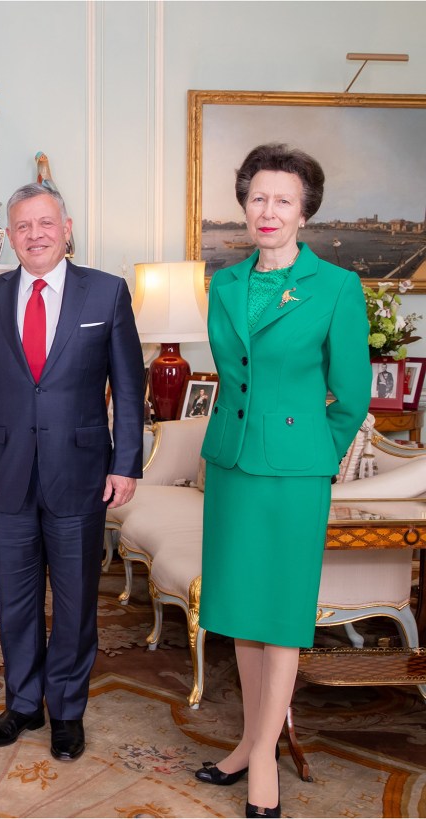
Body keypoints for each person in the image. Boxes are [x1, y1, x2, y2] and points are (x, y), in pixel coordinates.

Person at [195, 144, 370, 818]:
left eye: (283, 200)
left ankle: (264, 754)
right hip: (233, 464)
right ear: (244, 205)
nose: (268, 211)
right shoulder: (226, 282)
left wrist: (311, 454)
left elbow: (350, 396)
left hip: (295, 474)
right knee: (241, 610)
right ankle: (247, 741)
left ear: (305, 212)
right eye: (258, 198)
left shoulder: (336, 288)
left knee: (284, 616)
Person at [0, 183, 144, 762]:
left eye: (45, 224)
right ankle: (22, 705)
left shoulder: (106, 294)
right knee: (13, 598)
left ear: (66, 228)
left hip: (82, 470)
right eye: (22, 227)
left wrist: (126, 463)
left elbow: (130, 388)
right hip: (6, 473)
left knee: (75, 599)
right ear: (8, 236)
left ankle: (66, 711)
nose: (34, 235)